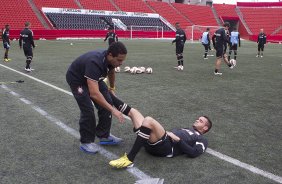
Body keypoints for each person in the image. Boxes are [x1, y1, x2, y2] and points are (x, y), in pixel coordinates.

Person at [66, 42, 128, 154]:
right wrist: (113, 110)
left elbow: (111, 72)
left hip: (93, 78)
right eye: (119, 60)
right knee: (88, 109)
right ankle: (86, 142)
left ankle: (103, 135)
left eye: (122, 60)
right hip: (77, 80)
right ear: (110, 55)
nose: (121, 63)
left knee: (108, 101)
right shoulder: (95, 62)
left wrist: (112, 88)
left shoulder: (110, 61)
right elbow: (94, 94)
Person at [109, 110, 212, 168]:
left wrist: (178, 140)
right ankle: (110, 93)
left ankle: (129, 159)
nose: (197, 120)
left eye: (201, 121)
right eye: (198, 119)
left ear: (205, 128)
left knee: (148, 120)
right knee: (134, 112)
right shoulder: (187, 129)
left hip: (166, 147)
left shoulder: (202, 139)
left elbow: (194, 153)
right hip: (158, 142)